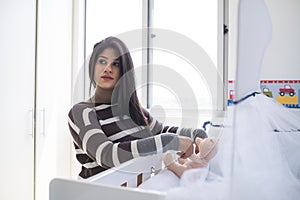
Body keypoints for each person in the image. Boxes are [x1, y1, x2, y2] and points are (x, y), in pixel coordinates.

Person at [68, 36, 207, 179]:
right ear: (92, 67)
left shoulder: (132, 110)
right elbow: (106, 155)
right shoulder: (82, 112)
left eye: (116, 64)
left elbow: (160, 130)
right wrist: (170, 142)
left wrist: (196, 134)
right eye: (102, 61)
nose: (108, 69)